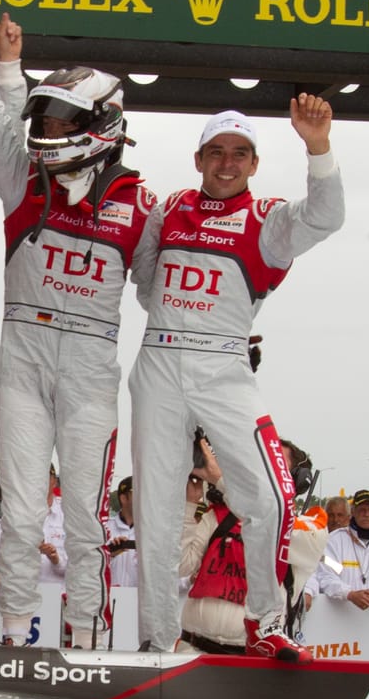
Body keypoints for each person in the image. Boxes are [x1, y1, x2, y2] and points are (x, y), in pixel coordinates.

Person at [0, 0, 152, 648]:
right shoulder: (23, 178)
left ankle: (87, 637)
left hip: (91, 369)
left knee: (86, 520)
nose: (48, 131)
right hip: (23, 361)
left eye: (62, 120)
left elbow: (163, 291)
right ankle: (13, 637)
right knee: (25, 514)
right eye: (47, 118)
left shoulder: (141, 205)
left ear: (101, 124)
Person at [128, 99, 344, 662]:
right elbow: (146, 285)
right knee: (155, 505)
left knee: (271, 497)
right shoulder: (170, 206)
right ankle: (155, 638)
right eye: (217, 152)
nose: (227, 163)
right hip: (159, 360)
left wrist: (317, 146)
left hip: (225, 365)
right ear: (199, 158)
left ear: (253, 164)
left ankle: (268, 622)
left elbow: (326, 216)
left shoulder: (267, 218)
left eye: (240, 154)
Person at [181, 473, 249, 652]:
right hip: (194, 645)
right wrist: (190, 504)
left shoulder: (290, 528)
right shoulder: (213, 517)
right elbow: (182, 565)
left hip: (245, 651)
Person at [312, 489, 369, 611]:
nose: (367, 514)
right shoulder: (334, 540)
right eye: (362, 509)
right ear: (353, 512)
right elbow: (325, 576)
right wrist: (350, 594)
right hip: (339, 618)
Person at [105, 475, 138, 588]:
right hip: (109, 598)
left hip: (138, 600)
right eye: (137, 491)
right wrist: (111, 553)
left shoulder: (150, 532)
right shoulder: (105, 528)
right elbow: (91, 565)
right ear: (123, 498)